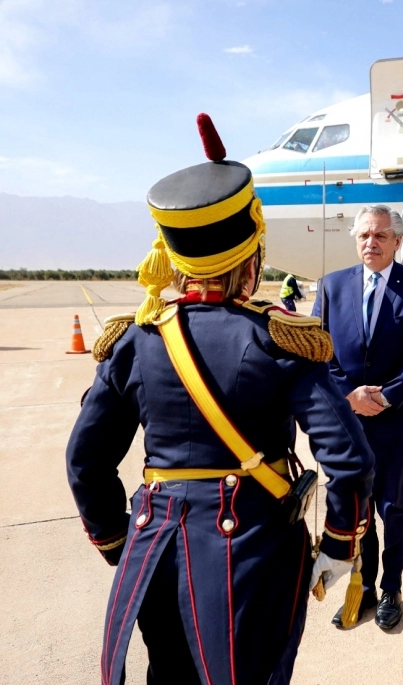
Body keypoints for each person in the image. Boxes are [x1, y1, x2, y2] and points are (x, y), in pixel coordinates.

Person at [65, 114, 373, 685]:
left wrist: (116, 540)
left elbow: (85, 460)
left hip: (151, 549)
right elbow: (349, 460)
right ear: (251, 255)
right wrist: (339, 542)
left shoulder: (136, 338)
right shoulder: (279, 336)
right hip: (249, 549)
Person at [312, 204, 403, 629]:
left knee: (394, 506)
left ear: (397, 241)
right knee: (358, 506)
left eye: (380, 236)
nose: (371, 242)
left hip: (394, 421)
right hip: (349, 422)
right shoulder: (332, 286)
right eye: (365, 235)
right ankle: (364, 586)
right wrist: (348, 395)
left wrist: (387, 397)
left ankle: (392, 587)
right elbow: (317, 349)